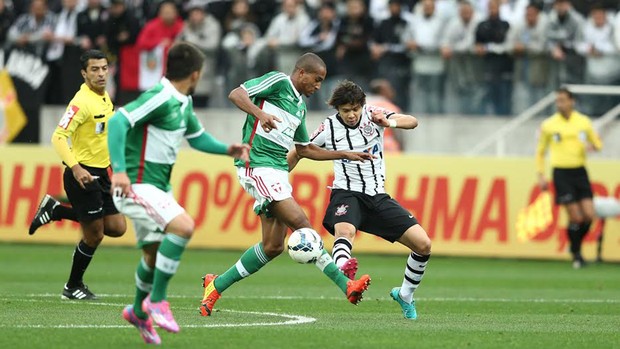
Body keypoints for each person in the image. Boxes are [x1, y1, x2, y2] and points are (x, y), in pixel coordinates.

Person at [199, 53, 374, 318]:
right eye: (316, 80)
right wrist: (261, 114)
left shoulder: (300, 107)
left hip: (278, 172)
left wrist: (344, 154)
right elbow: (236, 94)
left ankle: (215, 285)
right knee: (303, 225)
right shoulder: (279, 82)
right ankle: (346, 284)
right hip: (256, 164)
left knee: (273, 247)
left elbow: (304, 149)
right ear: (301, 73)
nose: (318, 87)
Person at [108, 42, 249, 344]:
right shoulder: (160, 97)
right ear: (196, 74)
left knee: (153, 253)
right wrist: (118, 170)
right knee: (183, 226)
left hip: (158, 187)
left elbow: (197, 138)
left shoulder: (182, 102)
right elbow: (118, 121)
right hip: (135, 183)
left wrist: (227, 149)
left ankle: (137, 311)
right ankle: (157, 301)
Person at [287, 80, 432, 320]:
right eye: (346, 111)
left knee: (423, 244)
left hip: (377, 196)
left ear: (362, 106)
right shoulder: (328, 128)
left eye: (355, 109)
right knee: (345, 231)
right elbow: (299, 152)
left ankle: (405, 294)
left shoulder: (375, 116)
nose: (352, 115)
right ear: (338, 110)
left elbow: (412, 121)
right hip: (346, 192)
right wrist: (279, 179)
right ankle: (345, 269)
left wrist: (390, 122)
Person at [31, 50, 127, 300]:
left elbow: (102, 134)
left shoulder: (105, 97)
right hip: (82, 174)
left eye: (104, 68)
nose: (101, 74)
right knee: (94, 234)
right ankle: (72, 286)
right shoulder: (81, 102)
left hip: (102, 173)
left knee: (117, 227)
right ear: (84, 73)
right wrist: (76, 167)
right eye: (95, 69)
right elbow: (58, 137)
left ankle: (56, 210)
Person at [536, 87, 603, 269]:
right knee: (575, 216)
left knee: (590, 215)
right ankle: (577, 255)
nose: (560, 104)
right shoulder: (549, 125)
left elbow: (597, 144)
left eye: (563, 100)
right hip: (561, 173)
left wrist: (593, 145)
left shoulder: (583, 122)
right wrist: (541, 174)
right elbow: (540, 152)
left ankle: (574, 246)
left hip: (580, 172)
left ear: (572, 101)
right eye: (558, 101)